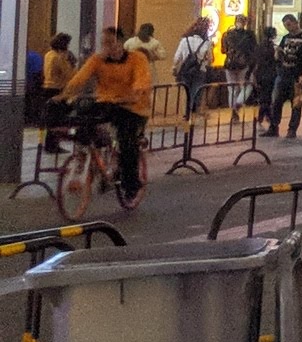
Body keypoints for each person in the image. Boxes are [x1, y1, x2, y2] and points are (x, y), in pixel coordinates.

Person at [61, 27, 153, 203]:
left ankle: (131, 184)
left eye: (110, 42)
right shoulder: (98, 60)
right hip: (108, 103)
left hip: (132, 107)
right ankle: (86, 150)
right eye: (104, 43)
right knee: (84, 115)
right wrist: (64, 95)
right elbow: (80, 78)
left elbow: (142, 80)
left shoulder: (137, 58)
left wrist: (135, 94)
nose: (107, 47)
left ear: (120, 43)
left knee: (127, 141)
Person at [264, 13, 302, 138]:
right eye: (285, 26)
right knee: (277, 101)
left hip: (297, 74)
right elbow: (280, 51)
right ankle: (274, 126)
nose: (288, 28)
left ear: (295, 22)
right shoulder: (286, 37)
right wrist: (278, 52)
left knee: (296, 103)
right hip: (284, 72)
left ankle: (292, 129)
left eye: (289, 25)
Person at [174, 15, 214, 117]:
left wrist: (174, 67)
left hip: (186, 70)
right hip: (200, 70)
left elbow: (177, 57)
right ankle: (192, 111)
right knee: (196, 92)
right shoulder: (207, 43)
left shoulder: (185, 40)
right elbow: (210, 59)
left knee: (186, 91)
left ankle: (186, 112)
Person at [220, 16, 258, 112]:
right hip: (243, 64)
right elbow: (253, 50)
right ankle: (239, 103)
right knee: (248, 86)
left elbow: (223, 50)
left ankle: (233, 112)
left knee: (232, 89)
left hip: (229, 64)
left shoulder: (227, 34)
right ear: (245, 23)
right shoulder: (249, 35)